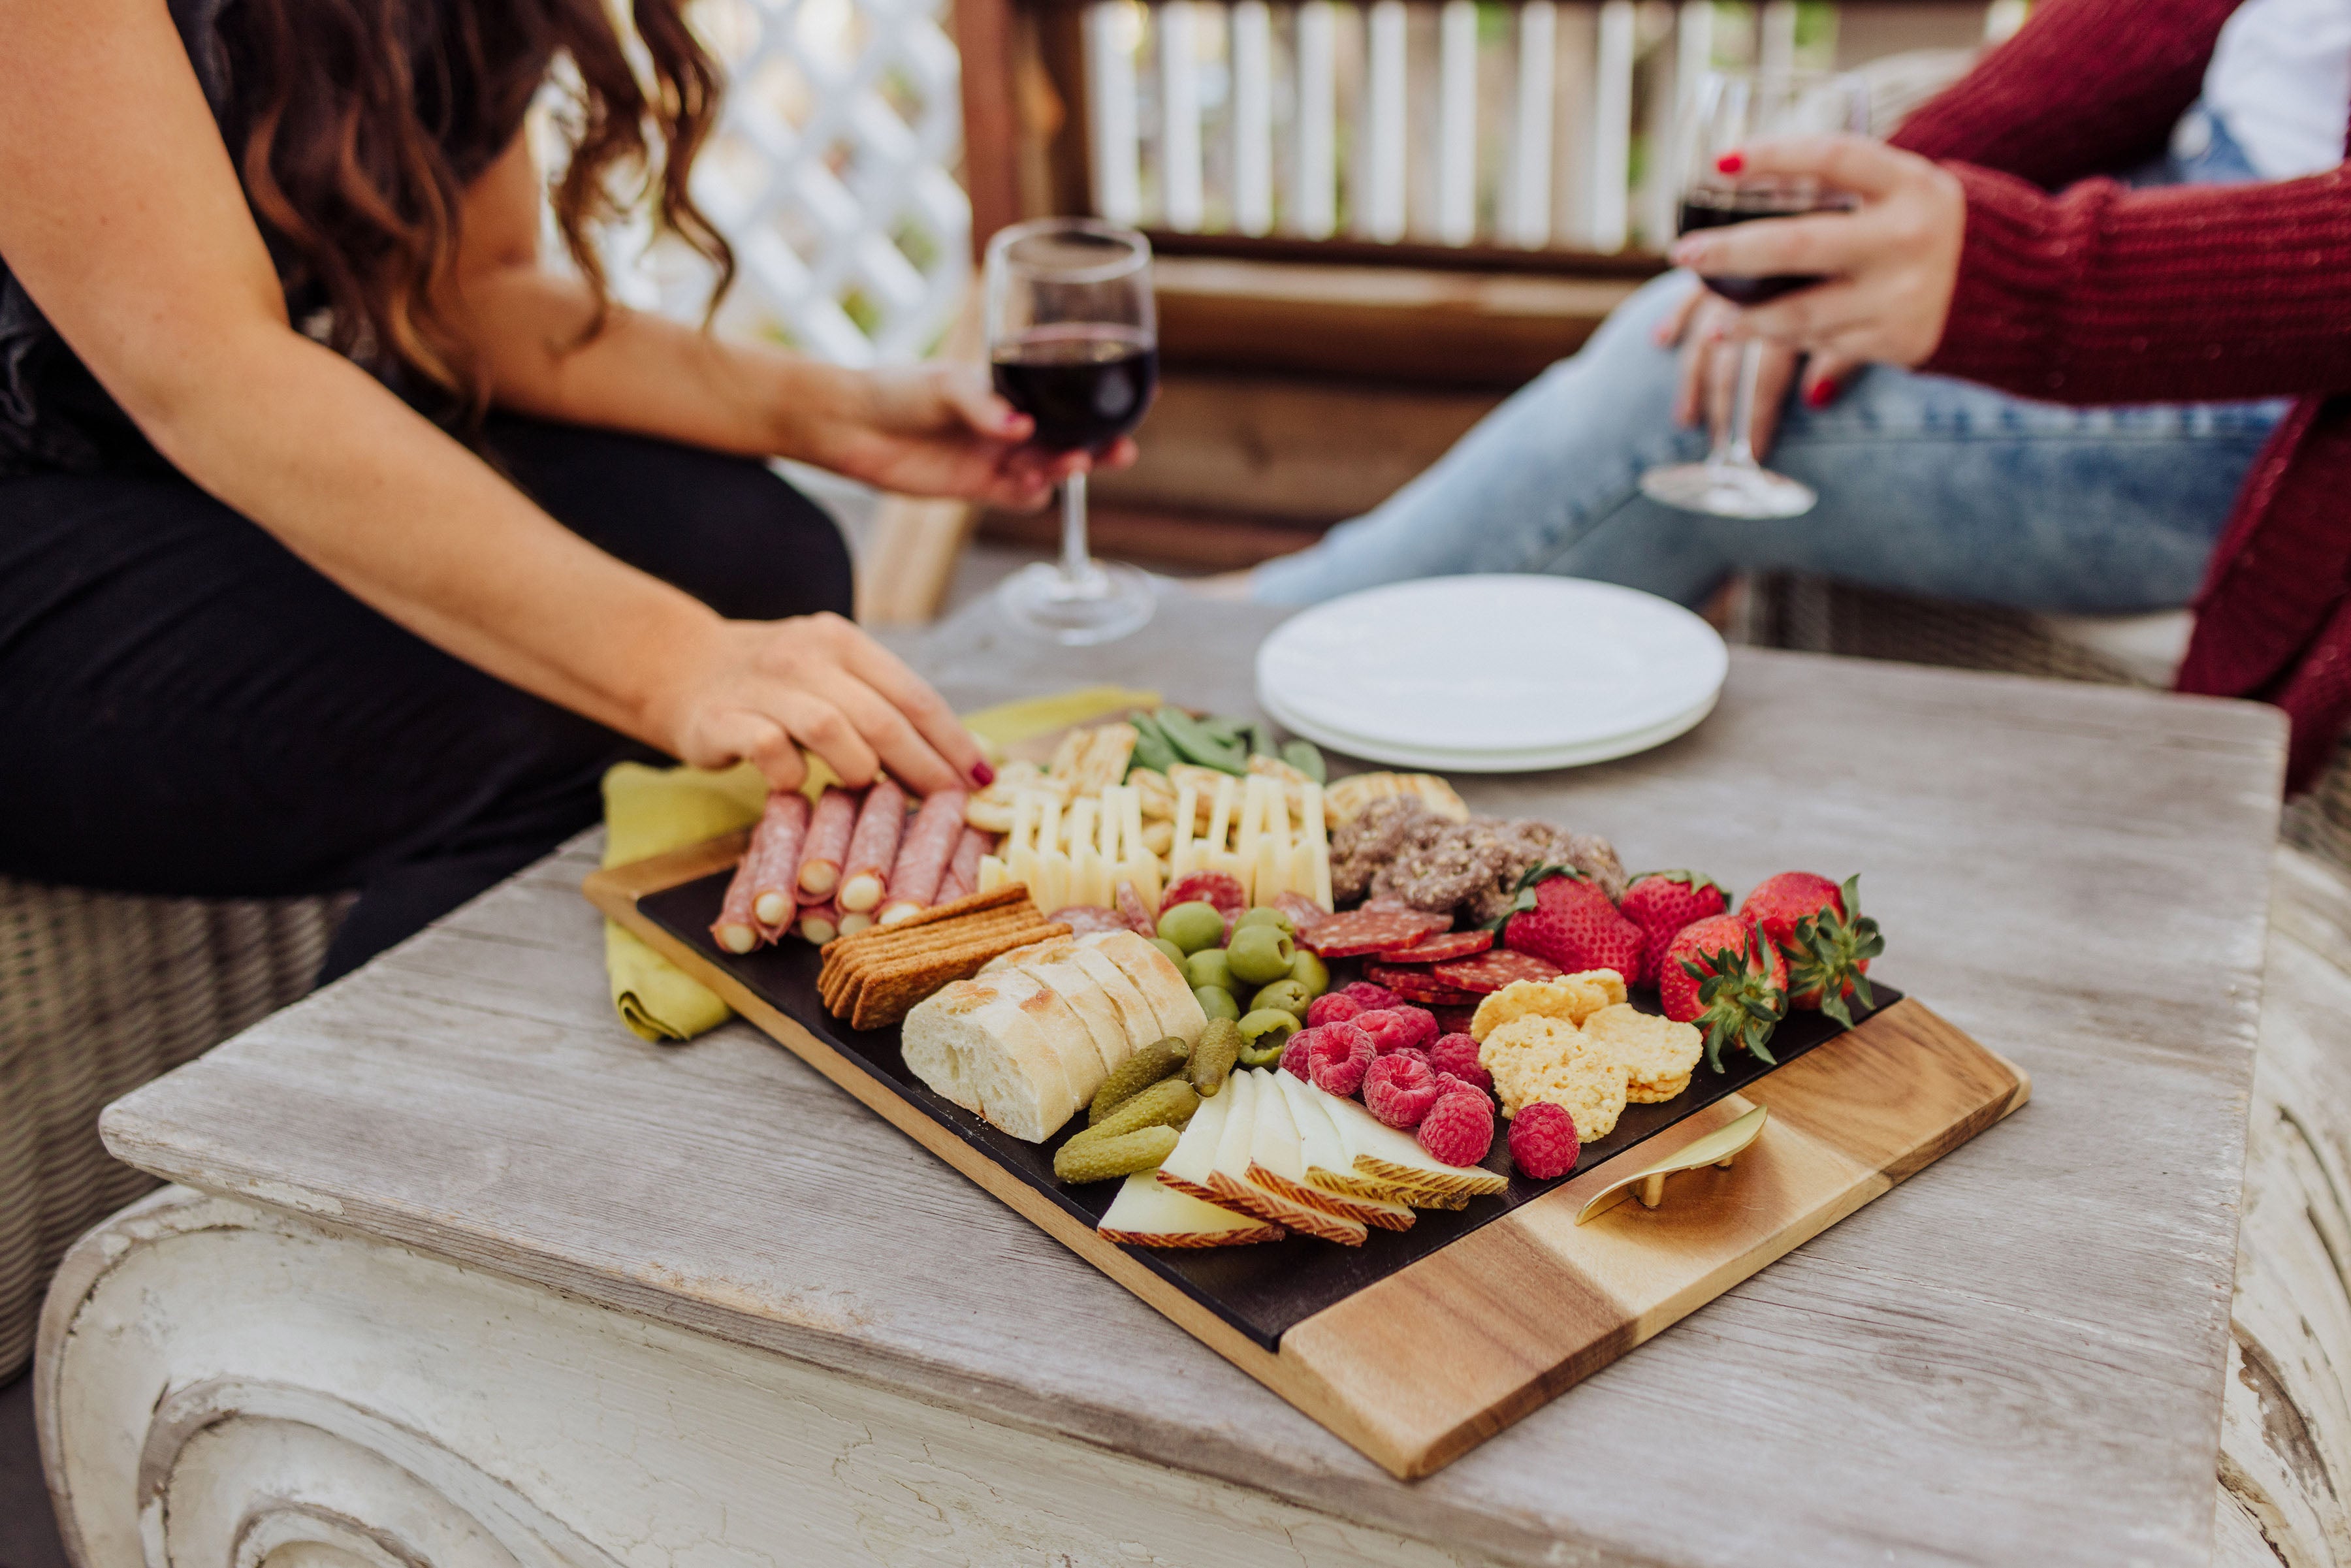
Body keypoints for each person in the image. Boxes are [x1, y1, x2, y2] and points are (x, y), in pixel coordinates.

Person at [0, 0, 1128, 980]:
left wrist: (844, 415)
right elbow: (208, 366)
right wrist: (670, 662)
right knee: (525, 705)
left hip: (153, 472)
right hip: (37, 513)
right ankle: (352, 1155)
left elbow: (477, 295)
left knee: (761, 554)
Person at [1247, 0, 2351, 788]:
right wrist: (1865, 220)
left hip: (2280, 358)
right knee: (1682, 347)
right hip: (2179, 188)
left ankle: (1232, 677)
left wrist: (2032, 281)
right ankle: (1267, 646)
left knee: (1664, 399)